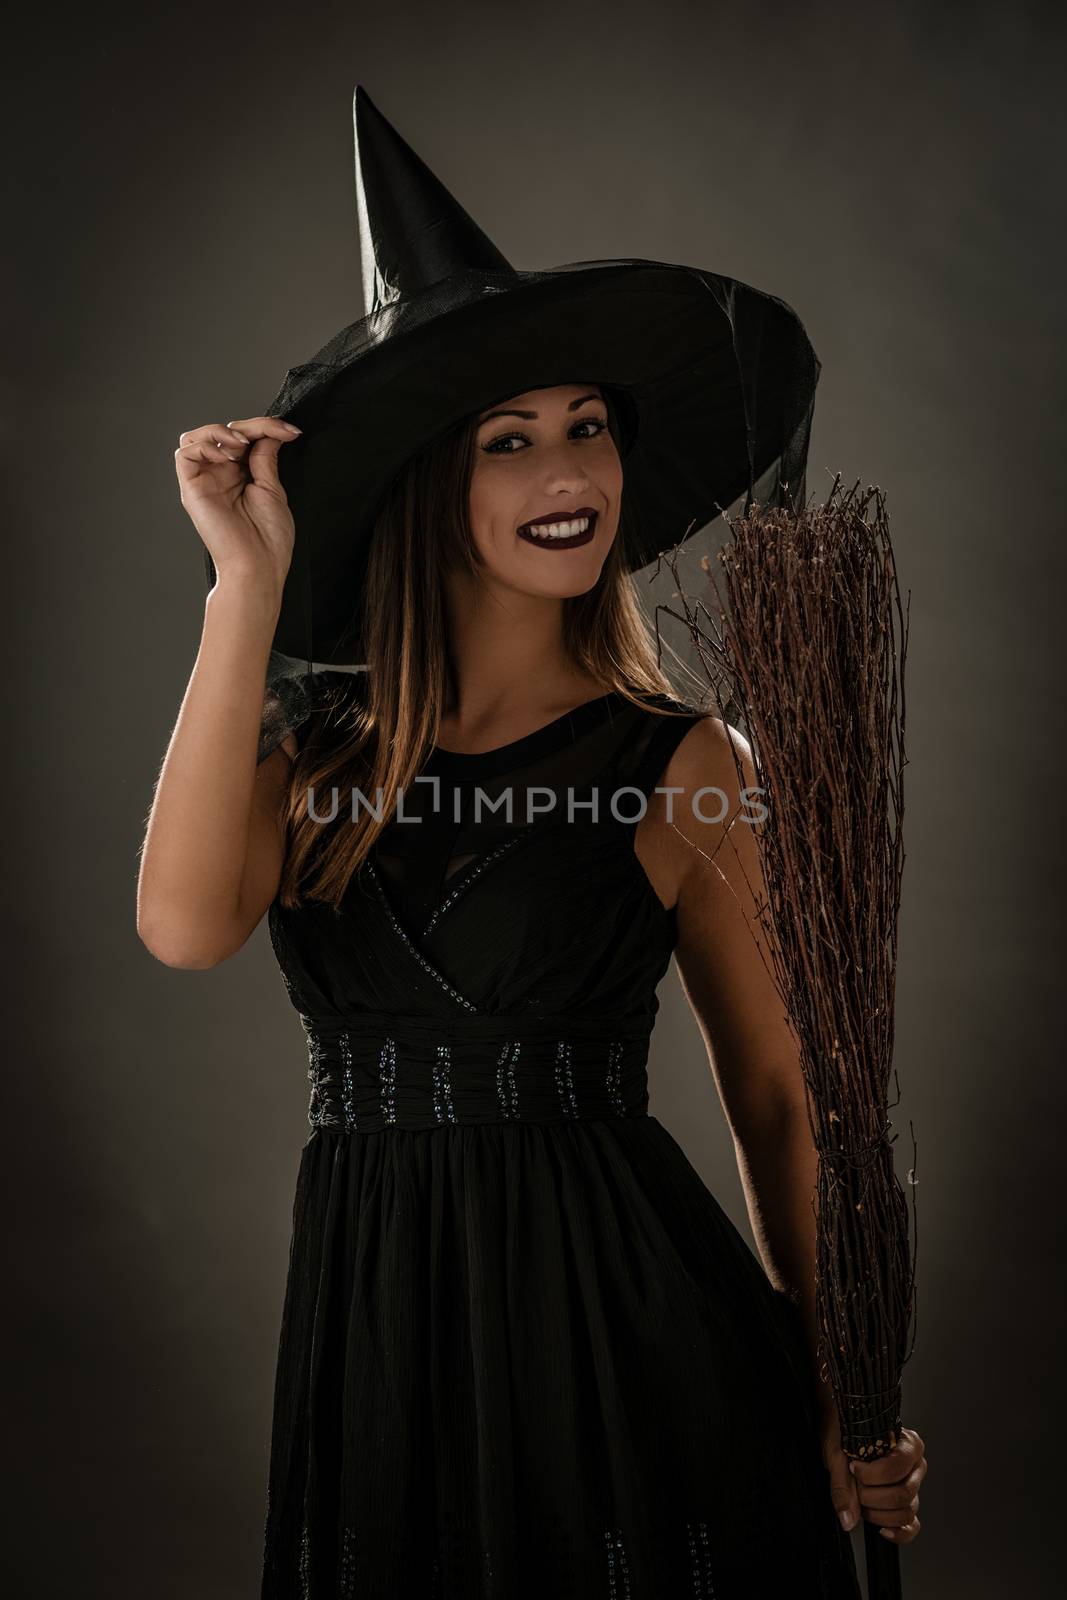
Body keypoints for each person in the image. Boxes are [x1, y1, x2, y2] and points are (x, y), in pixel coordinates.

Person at [137, 85, 926, 1600]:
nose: (567, 471)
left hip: (631, 1333)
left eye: (588, 430)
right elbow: (182, 926)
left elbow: (780, 1097)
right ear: (435, 485)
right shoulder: (316, 760)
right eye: (511, 439)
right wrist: (243, 585)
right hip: (380, 1335)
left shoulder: (687, 764)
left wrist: (845, 1385)